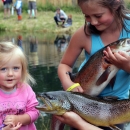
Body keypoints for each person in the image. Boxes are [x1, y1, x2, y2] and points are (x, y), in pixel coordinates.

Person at [57, 0, 130, 130]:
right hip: (82, 105)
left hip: (115, 109)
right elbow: (65, 65)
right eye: (87, 16)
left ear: (116, 4)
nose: (93, 22)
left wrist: (126, 65)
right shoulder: (84, 34)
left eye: (98, 16)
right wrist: (67, 84)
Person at [0, 42, 39, 130]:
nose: (10, 74)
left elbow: (35, 112)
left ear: (23, 69)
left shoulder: (26, 89)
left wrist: (18, 119)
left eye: (15, 68)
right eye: (3, 69)